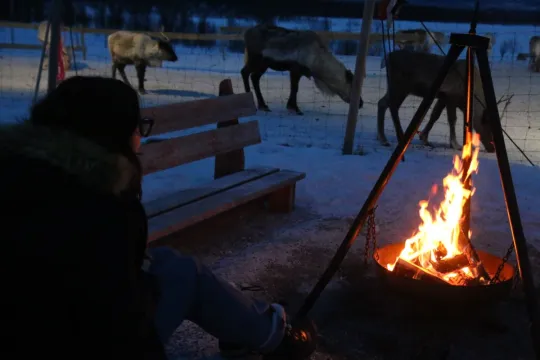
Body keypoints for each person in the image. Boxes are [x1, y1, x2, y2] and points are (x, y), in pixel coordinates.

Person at [3, 76, 316, 359]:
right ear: (109, 132)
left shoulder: (20, 174)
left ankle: (251, 330)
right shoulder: (99, 206)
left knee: (164, 263)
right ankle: (274, 336)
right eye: (137, 126)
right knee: (184, 273)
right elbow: (118, 325)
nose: (140, 135)